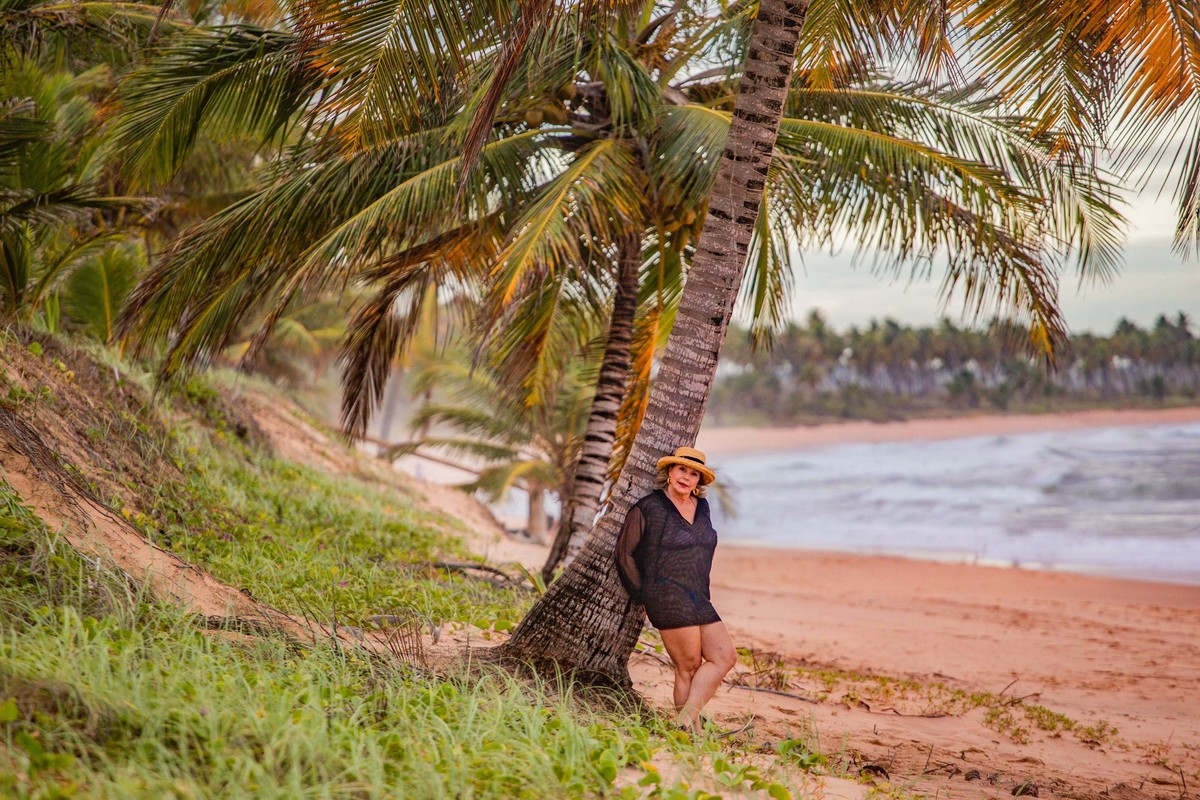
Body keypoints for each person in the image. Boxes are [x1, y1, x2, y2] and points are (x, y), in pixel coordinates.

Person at [614, 446, 738, 734]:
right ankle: (689, 732)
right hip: (666, 595)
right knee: (689, 666)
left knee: (724, 657)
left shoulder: (703, 508)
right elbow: (624, 554)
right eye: (682, 469)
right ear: (670, 472)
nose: (687, 477)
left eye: (694, 474)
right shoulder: (649, 508)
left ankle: (684, 724)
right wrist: (644, 594)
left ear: (699, 482)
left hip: (698, 595)